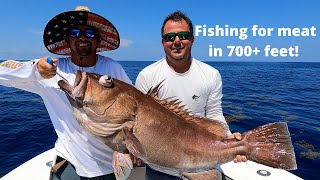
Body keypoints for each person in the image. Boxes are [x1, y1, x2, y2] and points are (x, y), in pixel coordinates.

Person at [0, 6, 131, 180]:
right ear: (67, 39)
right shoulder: (50, 69)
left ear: (98, 40)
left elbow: (133, 107)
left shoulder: (113, 68)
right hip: (69, 164)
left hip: (109, 166)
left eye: (90, 33)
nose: (82, 37)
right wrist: (34, 71)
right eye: (76, 32)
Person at [135, 10, 247, 179]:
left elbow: (215, 114)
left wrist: (229, 139)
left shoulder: (211, 74)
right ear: (163, 42)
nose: (177, 41)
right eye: (170, 37)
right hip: (158, 169)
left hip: (199, 165)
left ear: (192, 39)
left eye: (183, 35)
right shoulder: (147, 75)